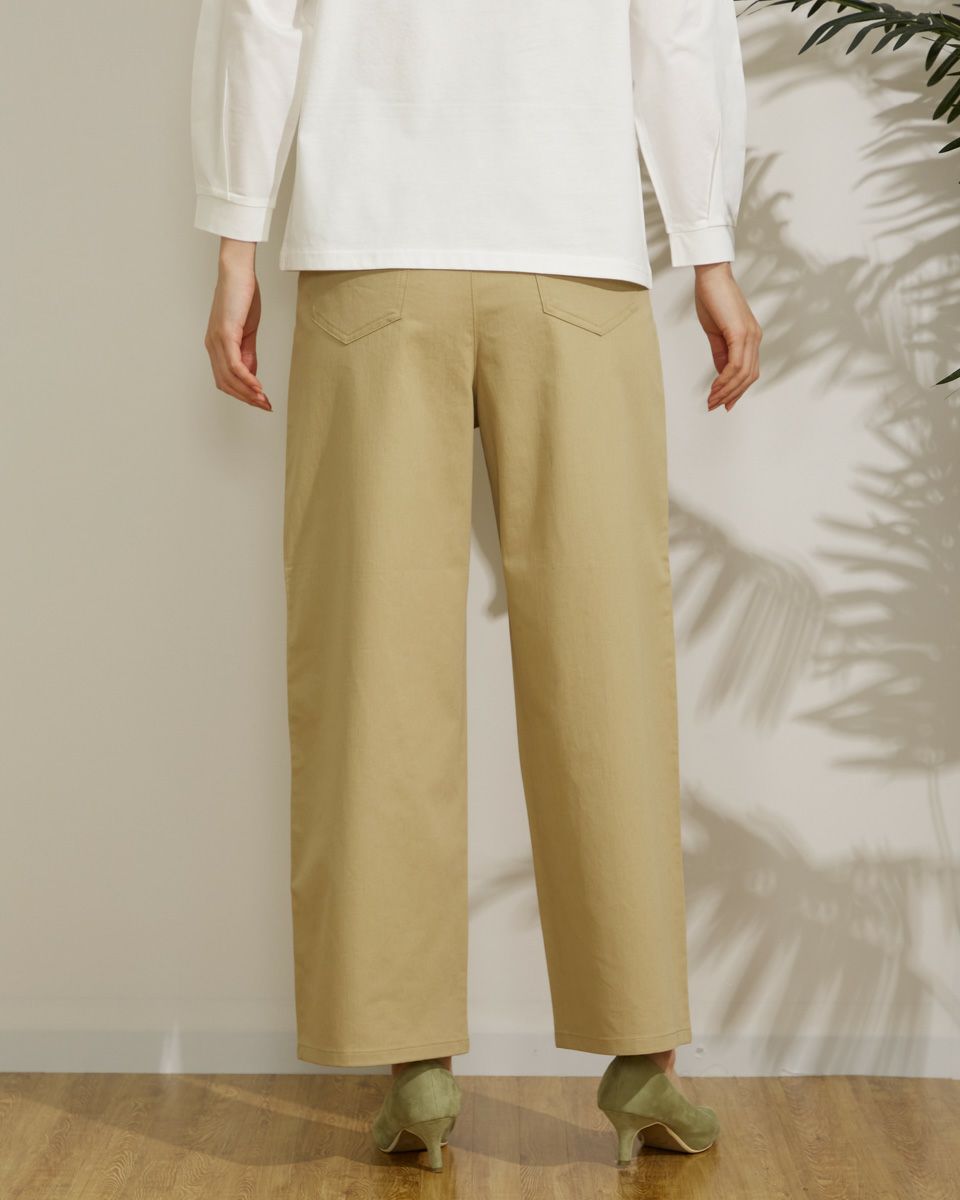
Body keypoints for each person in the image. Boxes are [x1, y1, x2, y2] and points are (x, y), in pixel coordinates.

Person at [191, 0, 761, 1173]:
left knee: (373, 666)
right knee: (604, 665)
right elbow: (678, 30)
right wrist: (709, 249)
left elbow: (258, 16)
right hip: (573, 250)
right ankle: (642, 1061)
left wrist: (235, 240)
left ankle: (412, 1070)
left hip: (372, 247)